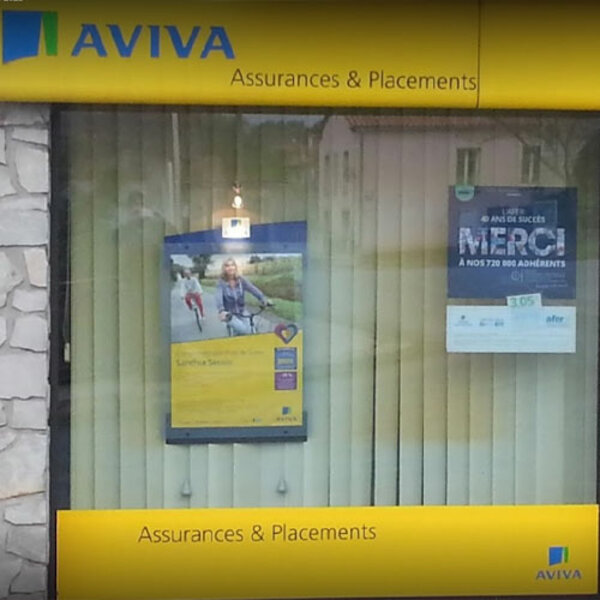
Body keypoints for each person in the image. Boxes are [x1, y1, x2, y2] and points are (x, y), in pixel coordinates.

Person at [216, 257, 271, 335]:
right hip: (230, 314)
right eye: (227, 266)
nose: (230, 268)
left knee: (252, 329)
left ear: (235, 267)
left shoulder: (241, 280)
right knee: (246, 331)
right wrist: (221, 311)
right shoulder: (221, 282)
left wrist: (262, 298)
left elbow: (252, 289)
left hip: (242, 311)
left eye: (232, 265)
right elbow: (218, 296)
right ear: (224, 268)